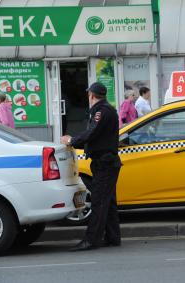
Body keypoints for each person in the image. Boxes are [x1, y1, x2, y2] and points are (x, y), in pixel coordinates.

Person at [61, 82, 121, 251]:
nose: (88, 97)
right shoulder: (105, 109)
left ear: (92, 95)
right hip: (105, 162)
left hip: (105, 163)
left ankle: (91, 240)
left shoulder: (102, 111)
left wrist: (71, 140)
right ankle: (113, 237)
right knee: (108, 202)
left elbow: (92, 133)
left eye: (89, 95)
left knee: (99, 202)